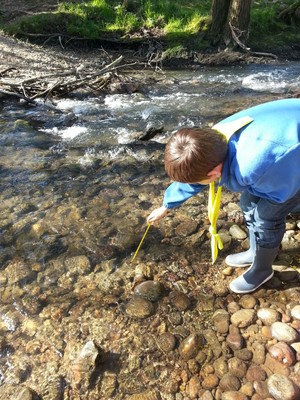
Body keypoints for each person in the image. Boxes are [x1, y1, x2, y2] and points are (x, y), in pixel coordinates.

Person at [147, 98, 300, 294]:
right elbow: (195, 176)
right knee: (247, 201)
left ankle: (262, 270)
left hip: (289, 162)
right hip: (284, 141)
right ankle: (255, 253)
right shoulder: (212, 141)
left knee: (266, 217)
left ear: (213, 174)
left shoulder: (251, 166)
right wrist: (166, 206)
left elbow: (283, 192)